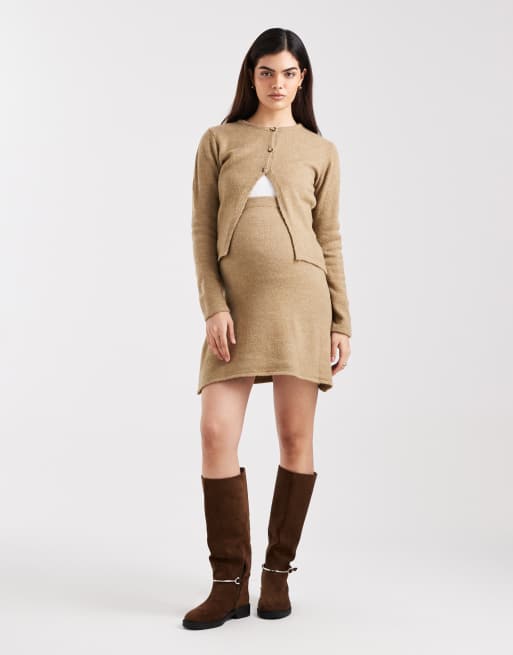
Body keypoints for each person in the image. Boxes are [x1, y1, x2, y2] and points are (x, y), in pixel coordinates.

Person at [182, 27, 352, 630]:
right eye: (266, 72)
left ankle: (276, 573)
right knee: (215, 432)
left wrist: (341, 320)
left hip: (303, 305)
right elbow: (202, 231)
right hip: (235, 308)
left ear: (302, 80)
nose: (277, 83)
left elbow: (329, 238)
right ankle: (228, 582)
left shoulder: (321, 150)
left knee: (294, 436)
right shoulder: (218, 140)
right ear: (250, 76)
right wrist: (214, 306)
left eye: (288, 73)